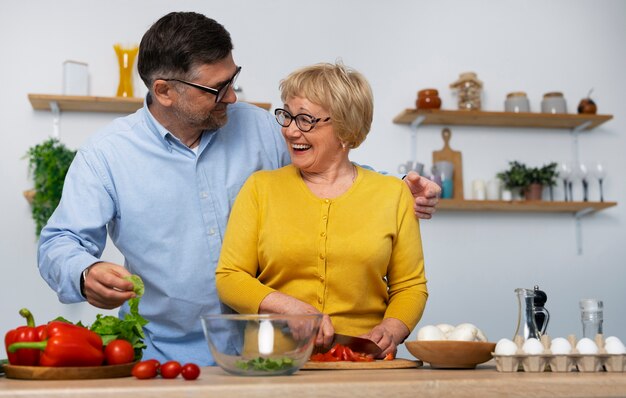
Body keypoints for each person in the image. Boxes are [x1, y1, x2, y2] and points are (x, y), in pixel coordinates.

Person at [37, 12, 438, 365]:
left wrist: (394, 190)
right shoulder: (106, 155)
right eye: (216, 89)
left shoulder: (259, 126)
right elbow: (60, 242)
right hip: (165, 355)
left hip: (265, 355)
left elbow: (325, 168)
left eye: (233, 79)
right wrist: (85, 272)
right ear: (164, 91)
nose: (232, 96)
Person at [216, 63, 428, 358]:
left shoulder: (393, 195)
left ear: (345, 128)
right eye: (287, 116)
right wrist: (289, 307)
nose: (290, 131)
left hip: (362, 360)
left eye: (305, 120)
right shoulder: (260, 188)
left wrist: (392, 329)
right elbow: (230, 277)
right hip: (276, 364)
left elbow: (410, 286)